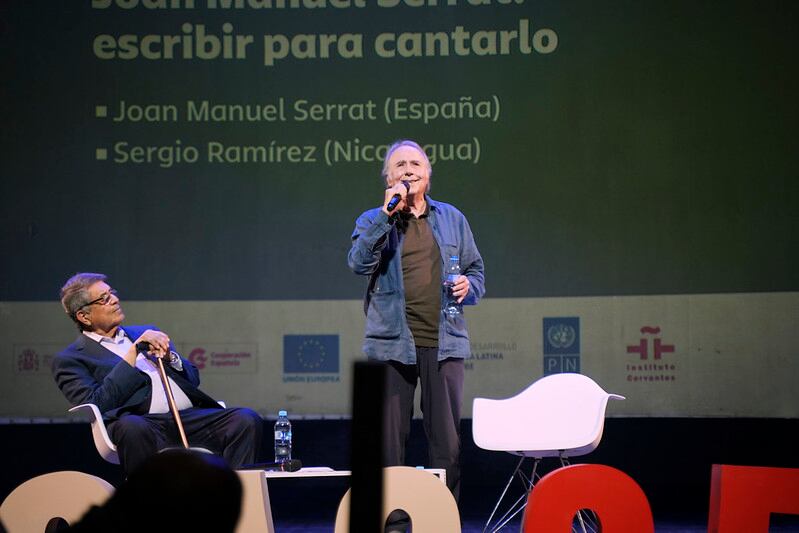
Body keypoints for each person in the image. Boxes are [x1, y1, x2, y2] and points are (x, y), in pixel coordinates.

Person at [347, 139, 485, 501]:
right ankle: (393, 521)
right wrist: (386, 215)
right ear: (388, 178)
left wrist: (468, 285)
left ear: (427, 175)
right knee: (389, 447)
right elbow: (358, 263)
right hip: (391, 345)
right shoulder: (372, 219)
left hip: (445, 343)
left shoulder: (452, 218)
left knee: (447, 445)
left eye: (415, 164)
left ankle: (443, 520)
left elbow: (476, 270)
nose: (408, 170)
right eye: (399, 165)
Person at [52, 272, 263, 476]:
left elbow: (193, 380)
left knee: (244, 419)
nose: (115, 300)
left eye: (112, 293)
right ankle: (146, 497)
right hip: (143, 425)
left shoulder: (146, 332)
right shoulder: (72, 358)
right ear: (84, 316)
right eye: (104, 299)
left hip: (188, 418)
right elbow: (97, 403)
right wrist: (133, 353)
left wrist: (171, 357)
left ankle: (238, 495)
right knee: (132, 427)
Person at [68, 448, 242, 533]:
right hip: (130, 417)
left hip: (183, 412)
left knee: (244, 418)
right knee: (132, 427)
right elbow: (95, 398)